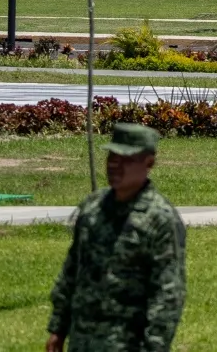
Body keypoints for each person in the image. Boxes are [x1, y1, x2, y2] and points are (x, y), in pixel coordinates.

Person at [48, 123, 186, 352]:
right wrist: (58, 328)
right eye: (112, 156)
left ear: (149, 163)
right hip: (83, 341)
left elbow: (168, 293)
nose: (114, 164)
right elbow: (72, 270)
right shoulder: (93, 207)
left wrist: (155, 346)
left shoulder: (160, 219)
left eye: (125, 158)